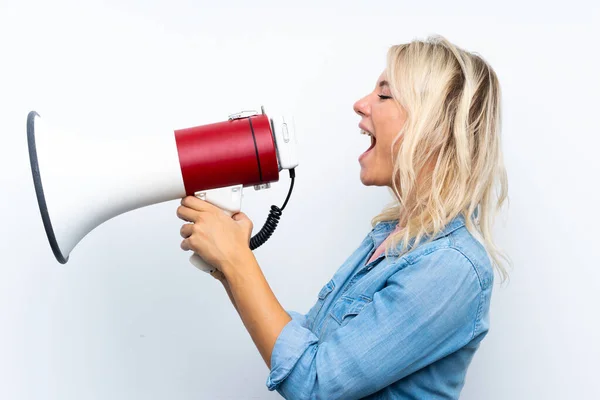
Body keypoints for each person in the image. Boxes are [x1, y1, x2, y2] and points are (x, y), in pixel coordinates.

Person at [176, 34, 509, 400]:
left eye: (384, 94)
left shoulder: (450, 267)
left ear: (435, 126)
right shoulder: (390, 238)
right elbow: (312, 341)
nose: (360, 104)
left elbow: (316, 383)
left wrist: (238, 260)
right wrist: (228, 264)